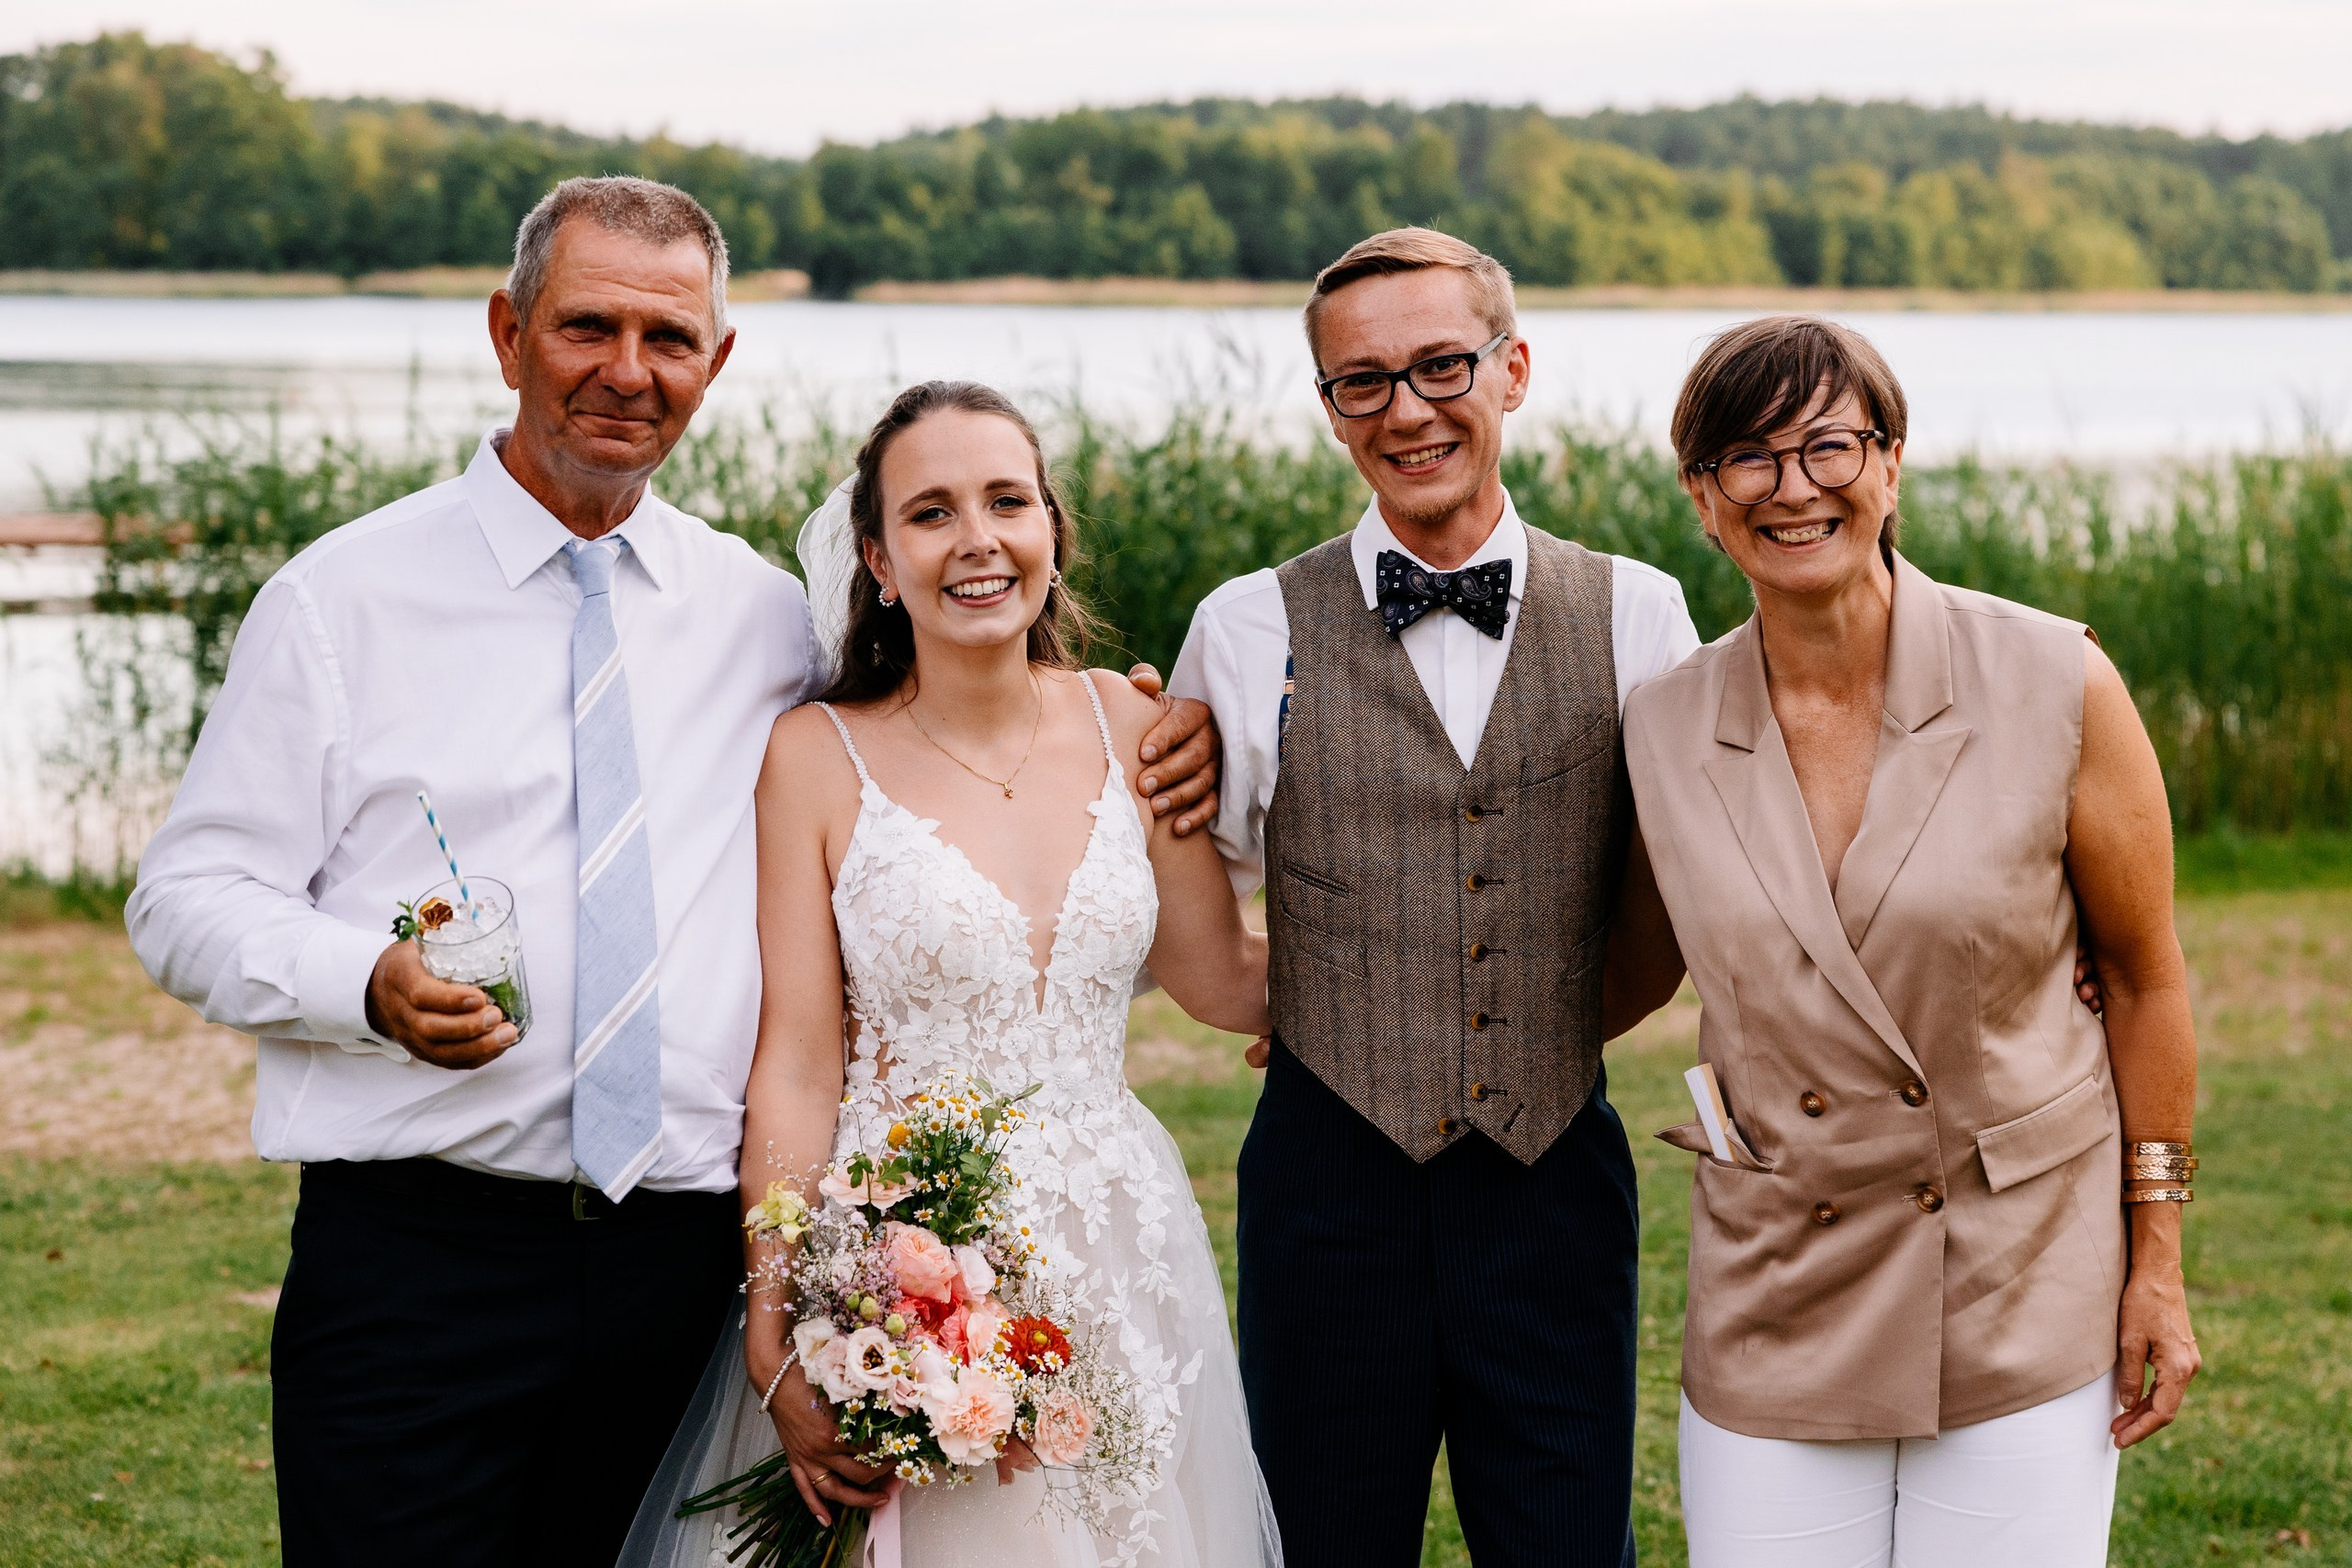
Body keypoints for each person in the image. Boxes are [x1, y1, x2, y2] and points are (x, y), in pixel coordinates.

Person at [124, 177, 1221, 1568]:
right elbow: (184, 900)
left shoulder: (763, 615)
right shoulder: (339, 603)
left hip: (690, 1271)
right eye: (589, 327)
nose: (627, 375)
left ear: (718, 359)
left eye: (670, 339)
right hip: (422, 1260)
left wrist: (1137, 726)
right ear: (508, 330)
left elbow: (929, 736)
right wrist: (367, 983)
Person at [622, 379, 1283, 1568]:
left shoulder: (1140, 732)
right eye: (931, 514)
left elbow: (1224, 977)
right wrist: (774, 1325)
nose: (977, 540)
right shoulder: (814, 757)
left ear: (1051, 533)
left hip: (1121, 1247)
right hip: (907, 1260)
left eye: (1007, 502)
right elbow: (798, 1060)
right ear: (879, 558)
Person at [1608, 314, 2202, 1566]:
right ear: (1701, 498)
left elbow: (2145, 978)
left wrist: (2159, 1263)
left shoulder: (2054, 679)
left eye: (1830, 446)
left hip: (2016, 1271)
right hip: (1779, 1280)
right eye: (1747, 460)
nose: (1794, 488)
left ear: (1891, 463)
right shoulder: (1659, 725)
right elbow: (1605, 970)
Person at [1169, 229, 1701, 1567]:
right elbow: (1181, 884)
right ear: (1331, 407)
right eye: (1364, 382)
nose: (1406, 409)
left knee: (1571, 1544)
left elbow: (1686, 895)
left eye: (1441, 365)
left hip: (1552, 1175)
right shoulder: (1245, 626)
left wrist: (1539, 1031)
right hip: (1323, 1188)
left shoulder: (1640, 611)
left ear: (1512, 369)